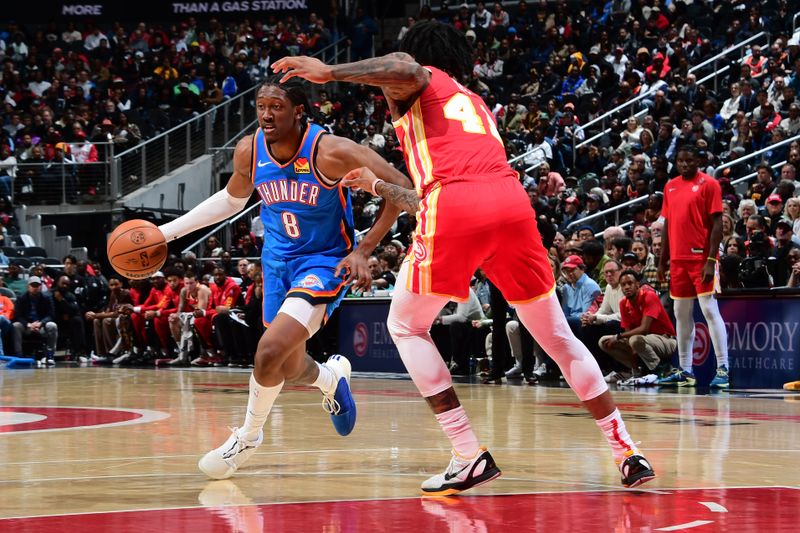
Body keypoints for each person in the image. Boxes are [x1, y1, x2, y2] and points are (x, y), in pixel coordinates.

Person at [272, 20, 655, 493]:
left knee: (406, 326)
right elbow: (431, 194)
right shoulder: (470, 102)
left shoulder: (418, 76)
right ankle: (627, 451)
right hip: (510, 205)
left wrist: (328, 72)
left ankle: (467, 452)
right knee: (558, 338)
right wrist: (377, 186)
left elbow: (404, 71)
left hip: (456, 205)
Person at [153, 78, 412, 480]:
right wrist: (165, 234)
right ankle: (330, 379)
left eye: (276, 106)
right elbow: (231, 200)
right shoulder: (250, 149)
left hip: (324, 261)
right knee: (286, 365)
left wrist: (364, 249)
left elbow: (403, 187)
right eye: (261, 106)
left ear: (298, 111)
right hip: (276, 263)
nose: (266, 114)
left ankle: (249, 437)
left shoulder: (332, 150)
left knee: (268, 352)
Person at [658, 145, 729, 388]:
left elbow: (718, 224)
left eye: (689, 160)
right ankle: (686, 370)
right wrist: (662, 261)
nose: (685, 164)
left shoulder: (710, 184)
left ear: (698, 160)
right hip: (677, 261)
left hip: (702, 259)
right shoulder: (670, 186)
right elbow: (667, 226)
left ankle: (723, 368)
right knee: (681, 314)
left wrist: (711, 260)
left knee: (709, 309)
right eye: (681, 161)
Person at [599, 270, 676, 386]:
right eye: (623, 285)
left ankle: (660, 371)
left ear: (637, 285)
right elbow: (628, 334)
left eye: (630, 283)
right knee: (604, 341)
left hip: (666, 341)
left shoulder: (649, 296)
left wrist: (618, 336)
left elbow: (644, 329)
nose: (627, 287)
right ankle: (635, 372)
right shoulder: (623, 303)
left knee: (634, 339)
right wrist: (635, 368)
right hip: (642, 342)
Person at [12, 276, 58, 365]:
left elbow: (51, 315)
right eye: (33, 285)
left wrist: (41, 323)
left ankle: (50, 355)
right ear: (28, 287)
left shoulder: (47, 297)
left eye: (37, 285)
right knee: (16, 325)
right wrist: (28, 324)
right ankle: (19, 355)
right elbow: (18, 316)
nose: (35, 288)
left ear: (40, 286)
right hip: (27, 326)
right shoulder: (21, 298)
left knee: (52, 325)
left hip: (40, 325)